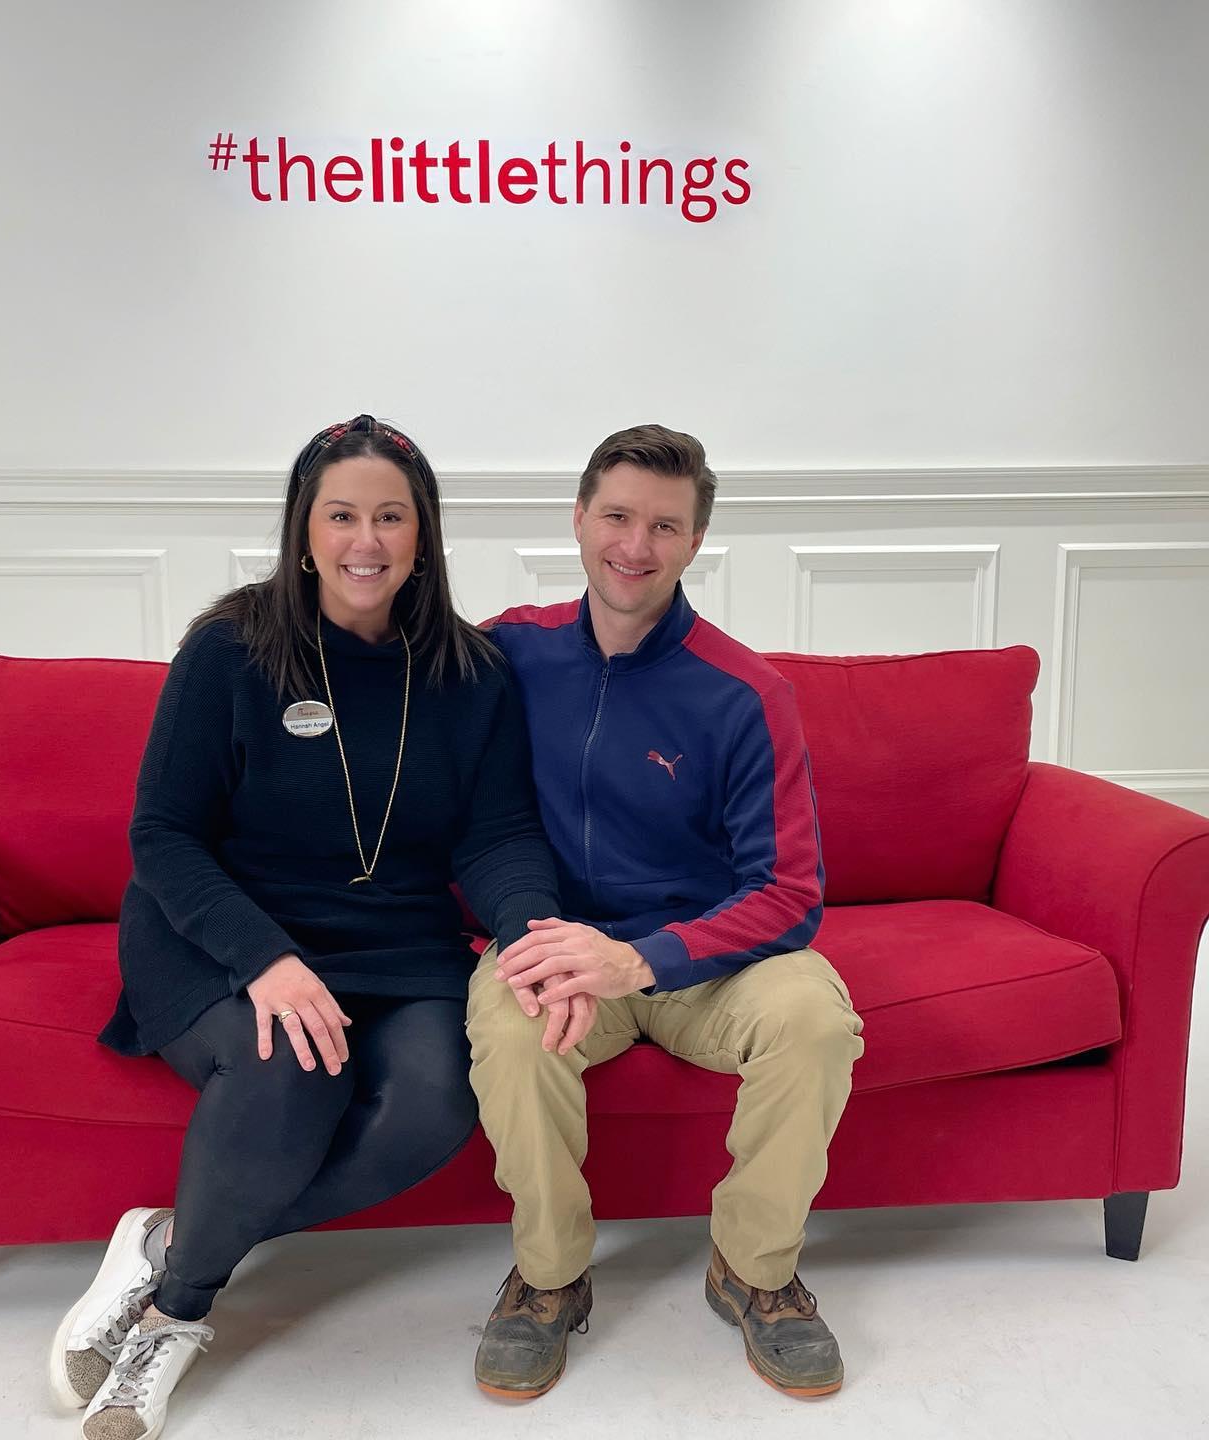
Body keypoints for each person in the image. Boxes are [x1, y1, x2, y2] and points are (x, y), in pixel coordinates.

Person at [49, 415, 562, 1440]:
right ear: (303, 530)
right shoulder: (231, 650)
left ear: (423, 536)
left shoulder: (472, 675)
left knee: (437, 1104)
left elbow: (497, 836)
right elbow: (162, 835)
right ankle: (177, 1315)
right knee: (295, 1069)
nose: (364, 539)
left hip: (397, 942)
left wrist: (530, 933)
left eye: (389, 516)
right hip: (225, 931)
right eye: (341, 515)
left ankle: (174, 1244)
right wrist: (268, 961)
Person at [467, 424, 866, 1401]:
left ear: (694, 544)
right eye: (616, 516)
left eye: (663, 526)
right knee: (513, 1032)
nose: (634, 545)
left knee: (816, 1019)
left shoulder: (745, 693)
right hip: (557, 942)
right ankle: (550, 1276)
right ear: (577, 519)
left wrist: (642, 960)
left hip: (705, 957)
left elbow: (788, 892)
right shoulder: (507, 651)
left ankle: (754, 1270)